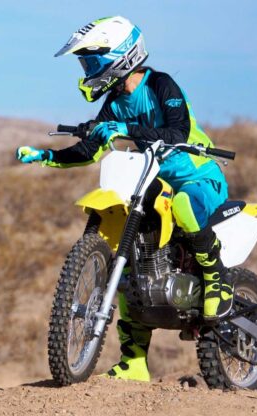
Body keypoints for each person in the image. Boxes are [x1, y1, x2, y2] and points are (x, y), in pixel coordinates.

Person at [16, 16, 233, 382]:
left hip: (200, 178)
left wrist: (126, 129)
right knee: (133, 261)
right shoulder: (115, 102)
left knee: (182, 204)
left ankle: (218, 279)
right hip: (153, 181)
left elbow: (176, 129)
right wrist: (47, 156)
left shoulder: (161, 84)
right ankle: (134, 361)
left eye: (91, 60)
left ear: (119, 55)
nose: (87, 69)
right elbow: (92, 148)